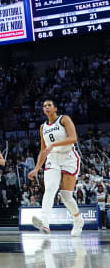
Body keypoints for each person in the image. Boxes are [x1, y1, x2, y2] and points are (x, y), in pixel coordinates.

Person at [28, 99, 85, 236]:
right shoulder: (43, 127)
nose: (46, 107)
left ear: (55, 108)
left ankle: (78, 220)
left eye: (49, 105)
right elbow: (43, 150)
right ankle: (45, 223)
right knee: (50, 188)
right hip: (53, 159)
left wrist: (54, 145)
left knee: (66, 195)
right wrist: (36, 168)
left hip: (69, 157)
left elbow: (73, 138)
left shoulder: (64, 119)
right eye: (44, 106)